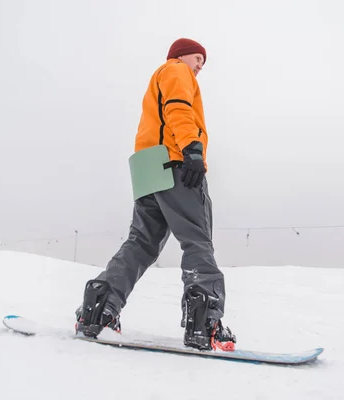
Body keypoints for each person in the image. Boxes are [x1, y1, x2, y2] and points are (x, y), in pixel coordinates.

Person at [74, 38, 236, 352]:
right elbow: (178, 107)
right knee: (197, 238)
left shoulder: (159, 76)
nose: (200, 65)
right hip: (176, 164)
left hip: (149, 168)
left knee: (141, 242)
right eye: (197, 58)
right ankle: (205, 324)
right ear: (181, 55)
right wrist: (192, 149)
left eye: (203, 62)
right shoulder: (176, 71)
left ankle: (99, 312)